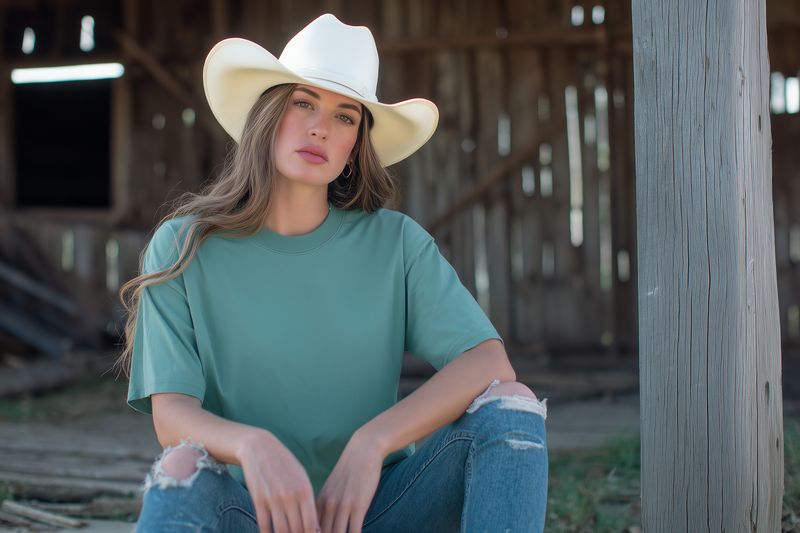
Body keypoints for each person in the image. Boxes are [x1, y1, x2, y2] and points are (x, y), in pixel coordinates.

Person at [116, 13, 549, 533]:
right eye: (303, 103)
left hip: (382, 512)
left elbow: (488, 361)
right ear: (267, 116)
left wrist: (373, 443)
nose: (320, 127)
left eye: (345, 116)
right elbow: (172, 416)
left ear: (354, 147)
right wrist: (252, 445)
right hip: (252, 514)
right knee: (180, 467)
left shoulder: (396, 244)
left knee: (513, 405)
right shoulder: (184, 246)